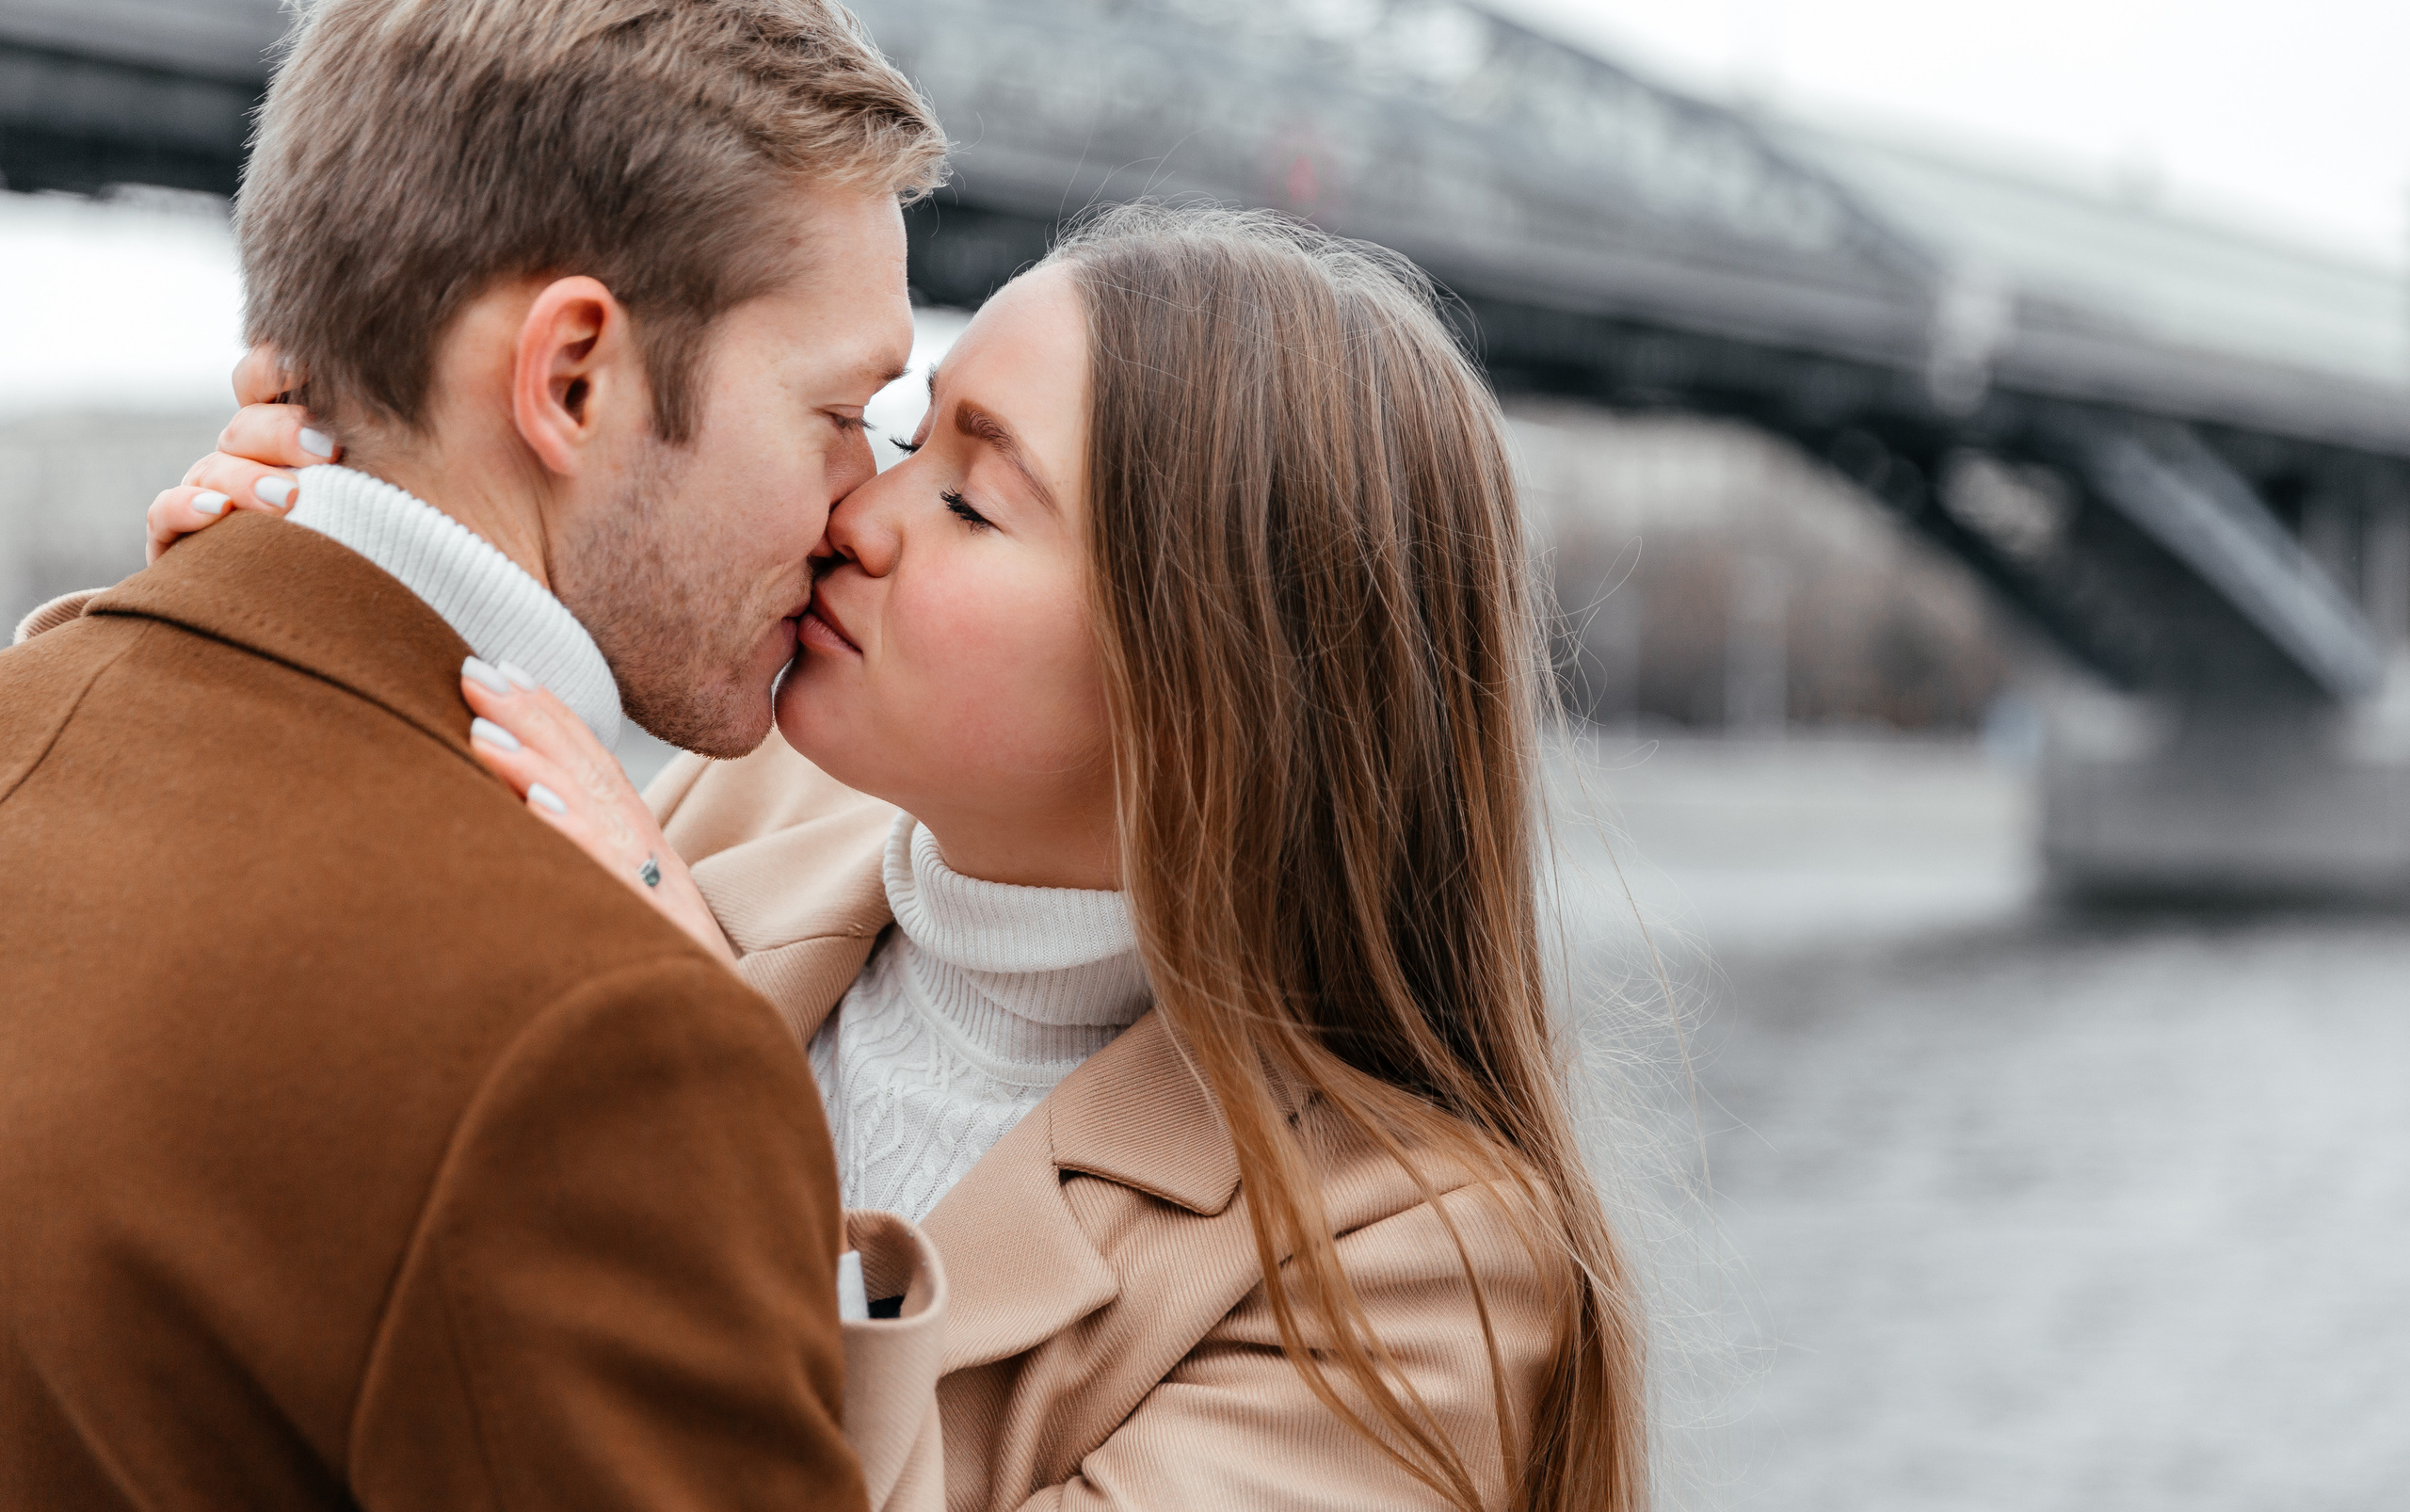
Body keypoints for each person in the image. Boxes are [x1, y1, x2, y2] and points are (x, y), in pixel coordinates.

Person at [133, 204, 1653, 1511]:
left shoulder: (1412, 1269)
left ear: (1215, 688)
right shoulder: (741, 813)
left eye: (972, 497)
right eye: (904, 436)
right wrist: (266, 648)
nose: (856, 514)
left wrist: (689, 1066)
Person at [0, 0, 946, 1507]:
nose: (865, 507)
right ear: (575, 377)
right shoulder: (607, 1043)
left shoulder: (40, 709)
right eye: (840, 415)